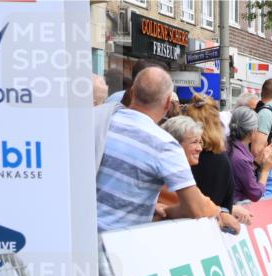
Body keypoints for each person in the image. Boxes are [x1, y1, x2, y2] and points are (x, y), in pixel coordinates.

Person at [96, 67, 227, 232]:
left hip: (78, 234)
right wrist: (170, 211)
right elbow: (196, 209)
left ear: (132, 92)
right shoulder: (164, 144)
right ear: (167, 103)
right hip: (117, 241)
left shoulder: (103, 121)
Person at [157, 116, 244, 232]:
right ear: (176, 145)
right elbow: (198, 207)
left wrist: (221, 212)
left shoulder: (179, 170)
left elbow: (202, 202)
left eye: (200, 142)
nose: (200, 148)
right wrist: (220, 213)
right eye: (194, 142)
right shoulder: (168, 171)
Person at [182, 94, 251, 226]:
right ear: (217, 123)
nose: (197, 149)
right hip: (208, 226)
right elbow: (225, 200)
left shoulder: (179, 156)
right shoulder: (220, 160)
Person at [229, 107, 272, 202]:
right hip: (236, 205)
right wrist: (266, 170)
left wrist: (256, 162)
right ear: (252, 132)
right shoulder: (241, 158)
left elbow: (240, 173)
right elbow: (256, 194)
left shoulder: (228, 145)